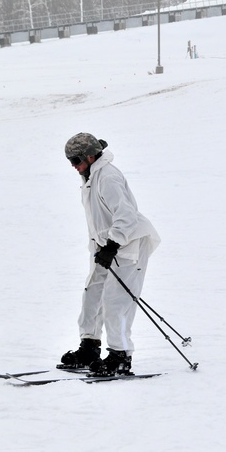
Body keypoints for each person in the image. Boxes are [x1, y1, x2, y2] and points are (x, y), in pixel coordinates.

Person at [58, 133, 161, 376]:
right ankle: (89, 346)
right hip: (105, 247)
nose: (74, 167)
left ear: (90, 156)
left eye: (76, 160)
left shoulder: (108, 177)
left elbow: (126, 215)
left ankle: (120, 356)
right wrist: (102, 248)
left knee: (117, 301)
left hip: (129, 245)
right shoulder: (91, 177)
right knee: (92, 294)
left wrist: (113, 245)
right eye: (70, 162)